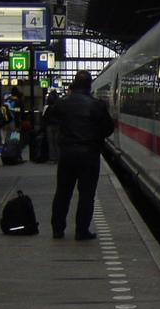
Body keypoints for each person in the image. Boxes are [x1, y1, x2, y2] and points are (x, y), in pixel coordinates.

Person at [45, 71, 114, 240]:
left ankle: (58, 229)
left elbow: (48, 118)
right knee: (87, 194)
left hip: (67, 154)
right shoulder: (97, 105)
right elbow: (108, 129)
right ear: (90, 85)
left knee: (63, 192)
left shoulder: (62, 103)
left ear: (74, 84)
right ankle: (82, 231)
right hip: (89, 154)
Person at [42, 89, 61, 162]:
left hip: (49, 125)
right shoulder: (59, 106)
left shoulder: (47, 107)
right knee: (57, 142)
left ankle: (52, 158)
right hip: (58, 125)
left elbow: (44, 117)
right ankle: (58, 157)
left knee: (51, 143)